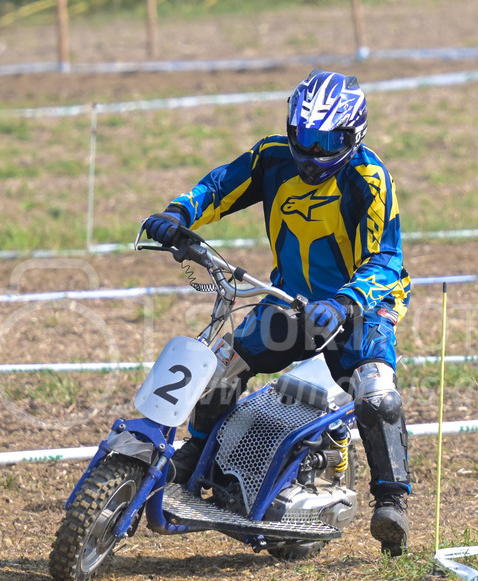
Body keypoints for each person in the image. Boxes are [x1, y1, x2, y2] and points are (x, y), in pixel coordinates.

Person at [141, 70, 413, 556]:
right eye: (303, 138)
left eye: (326, 140)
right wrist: (179, 214)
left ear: (354, 135)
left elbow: (386, 261)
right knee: (223, 363)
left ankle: (391, 504)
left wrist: (345, 301)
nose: (311, 154)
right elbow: (220, 185)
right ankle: (196, 451)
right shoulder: (272, 158)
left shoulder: (370, 180)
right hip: (292, 299)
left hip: (361, 306)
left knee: (376, 392)